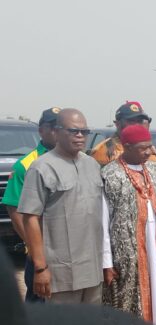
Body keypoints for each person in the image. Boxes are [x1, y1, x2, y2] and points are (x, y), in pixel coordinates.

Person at [19, 108, 105, 304]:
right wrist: (40, 268)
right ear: (56, 132)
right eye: (73, 131)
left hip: (92, 268)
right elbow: (30, 217)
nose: (80, 136)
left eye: (84, 131)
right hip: (60, 272)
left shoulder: (92, 165)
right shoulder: (42, 167)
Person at [102, 125, 156, 325]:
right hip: (127, 250)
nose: (149, 152)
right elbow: (103, 220)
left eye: (150, 147)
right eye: (143, 148)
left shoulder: (153, 169)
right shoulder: (110, 174)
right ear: (126, 146)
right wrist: (106, 262)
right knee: (129, 297)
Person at [1, 107, 59, 303]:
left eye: (60, 126)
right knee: (40, 305)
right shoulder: (26, 164)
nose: (56, 131)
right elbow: (15, 209)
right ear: (41, 130)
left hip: (70, 250)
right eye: (52, 127)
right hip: (41, 253)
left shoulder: (78, 159)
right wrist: (36, 249)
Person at [91, 101, 156, 166]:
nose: (137, 125)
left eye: (139, 121)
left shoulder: (149, 150)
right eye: (131, 121)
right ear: (117, 124)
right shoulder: (104, 150)